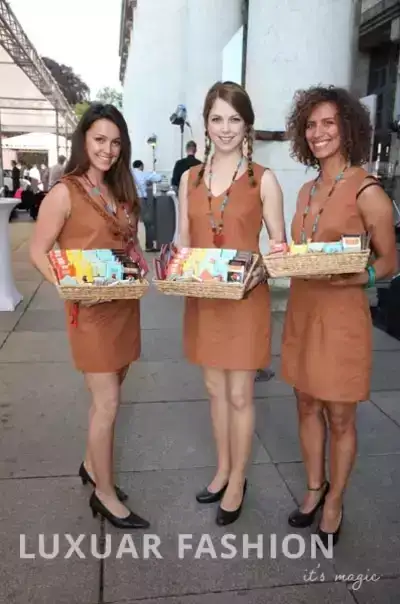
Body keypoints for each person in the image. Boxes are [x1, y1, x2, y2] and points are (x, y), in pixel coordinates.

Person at [281, 86, 397, 547]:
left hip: (343, 317)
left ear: (348, 128)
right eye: (310, 124)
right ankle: (314, 488)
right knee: (306, 403)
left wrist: (360, 277)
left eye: (328, 123)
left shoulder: (368, 192)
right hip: (303, 310)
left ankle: (335, 502)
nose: (318, 133)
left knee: (341, 417)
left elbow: (390, 261)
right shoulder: (306, 190)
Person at [29, 103, 150, 530]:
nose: (107, 150)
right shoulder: (65, 192)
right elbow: (38, 251)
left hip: (124, 306)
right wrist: (69, 288)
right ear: (84, 140)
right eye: (99, 139)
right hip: (90, 313)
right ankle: (105, 494)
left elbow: (129, 243)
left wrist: (139, 261)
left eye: (115, 142)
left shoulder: (120, 189)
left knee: (113, 390)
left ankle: (90, 463)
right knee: (107, 402)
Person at [178, 81, 286, 526]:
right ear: (205, 124)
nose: (225, 128)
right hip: (204, 299)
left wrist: (263, 266)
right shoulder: (189, 179)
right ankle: (223, 469)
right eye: (217, 118)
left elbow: (279, 247)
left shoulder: (264, 179)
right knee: (214, 390)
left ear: (248, 125)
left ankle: (239, 479)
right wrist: (171, 266)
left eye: (234, 119)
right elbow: (183, 241)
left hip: (244, 300)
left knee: (240, 393)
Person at [132, 159, 162, 251]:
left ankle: (132, 247)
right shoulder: (143, 174)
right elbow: (158, 178)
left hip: (130, 200)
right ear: (141, 166)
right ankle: (149, 246)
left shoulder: (129, 174)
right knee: (148, 223)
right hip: (141, 200)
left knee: (132, 224)